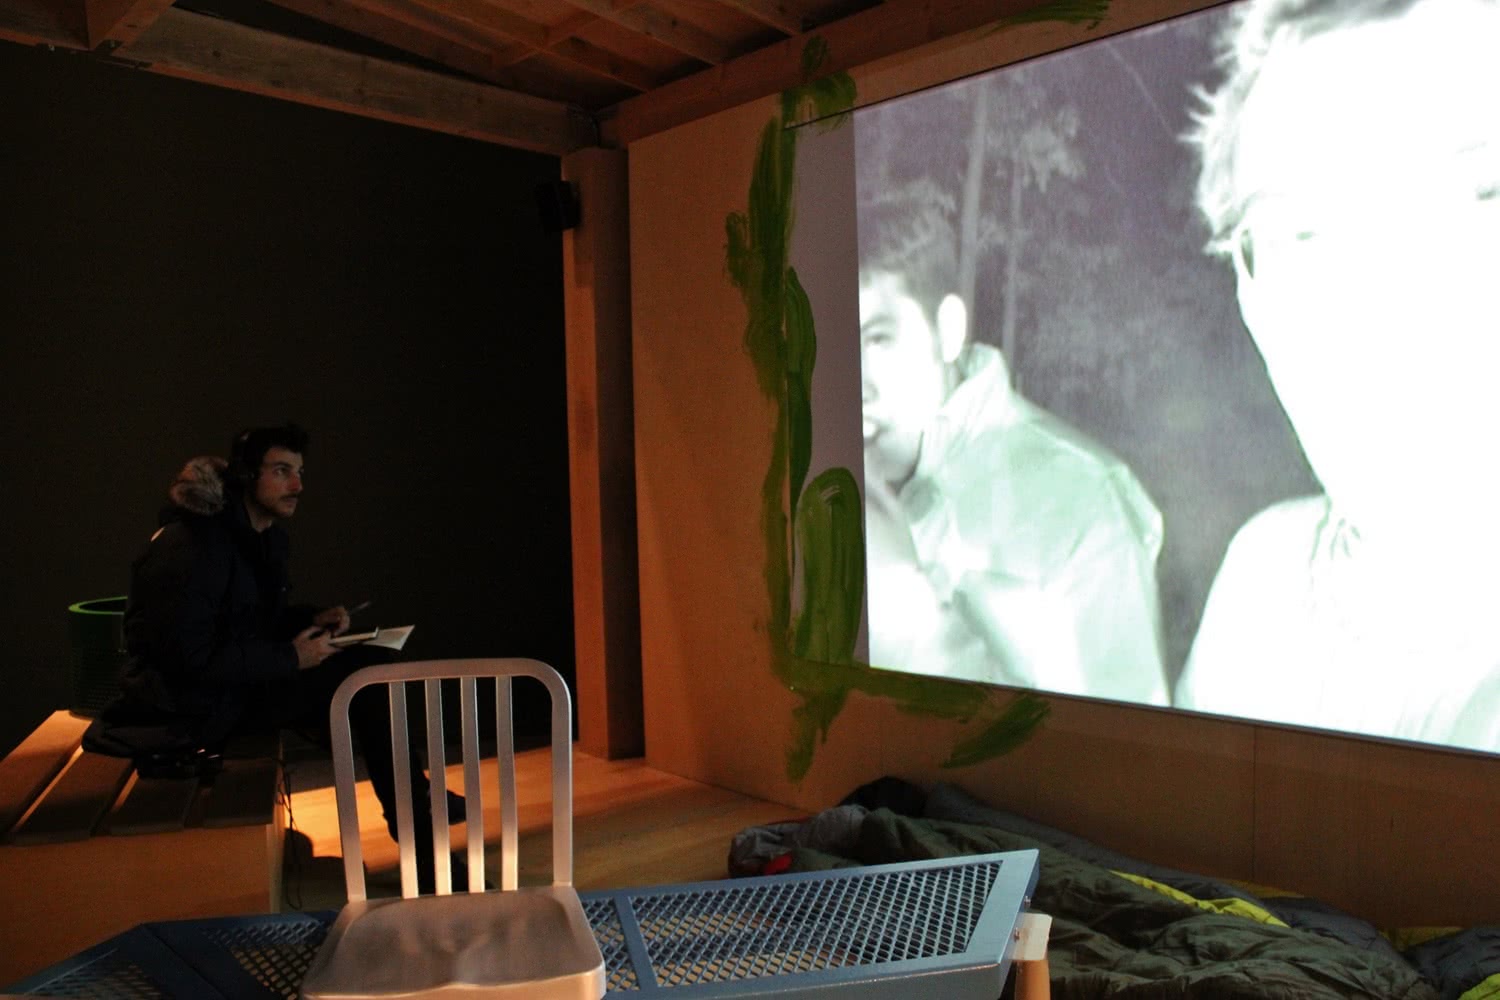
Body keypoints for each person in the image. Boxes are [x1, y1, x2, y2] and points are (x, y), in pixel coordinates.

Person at [1177, 0, 1500, 753]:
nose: (1372, 295)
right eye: (1300, 232)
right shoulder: (1260, 578)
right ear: (1251, 302)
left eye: (1479, 191)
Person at [88, 423, 467, 888]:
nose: (297, 486)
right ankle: (423, 834)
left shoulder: (257, 537)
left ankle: (421, 827)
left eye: (300, 472)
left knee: (369, 672)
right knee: (367, 681)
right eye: (282, 471)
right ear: (246, 475)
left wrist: (311, 619)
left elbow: (249, 621)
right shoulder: (190, 546)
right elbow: (187, 658)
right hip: (189, 709)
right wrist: (291, 659)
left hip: (233, 691)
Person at [859, 203, 1169, 704]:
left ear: (948, 331)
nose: (855, 381)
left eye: (877, 340)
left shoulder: (1081, 498)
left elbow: (1119, 745)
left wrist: (908, 613)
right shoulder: (826, 483)